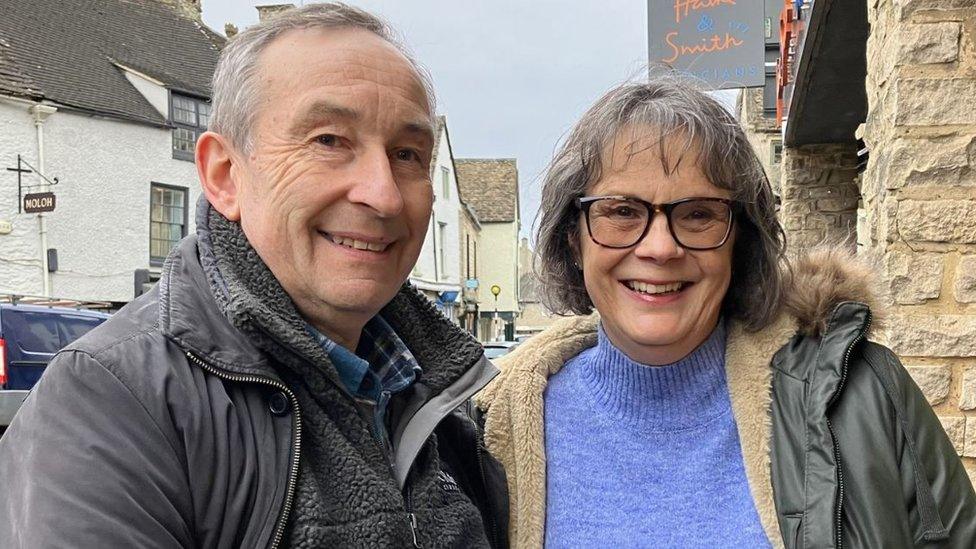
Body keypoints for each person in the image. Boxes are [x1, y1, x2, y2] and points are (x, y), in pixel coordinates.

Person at [0, 4, 507, 548]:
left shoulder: (441, 395)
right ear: (225, 176)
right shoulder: (112, 401)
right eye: (329, 141)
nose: (382, 194)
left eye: (407, 154)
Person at [475, 78, 976, 548]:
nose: (660, 248)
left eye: (697, 214)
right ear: (573, 237)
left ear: (740, 239)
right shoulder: (487, 426)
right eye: (622, 211)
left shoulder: (861, 395)